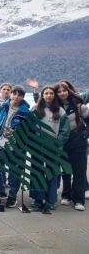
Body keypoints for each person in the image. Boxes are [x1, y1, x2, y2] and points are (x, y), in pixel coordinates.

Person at [30, 85, 70, 211]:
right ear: (42, 95)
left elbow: (65, 131)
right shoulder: (36, 109)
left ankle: (51, 200)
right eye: (46, 93)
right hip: (37, 146)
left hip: (53, 147)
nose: (49, 95)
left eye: (51, 93)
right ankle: (37, 199)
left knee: (51, 174)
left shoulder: (60, 111)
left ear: (54, 95)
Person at [0, 85, 30, 207]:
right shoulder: (2, 107)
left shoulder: (25, 112)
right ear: (11, 94)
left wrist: (16, 133)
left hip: (16, 146)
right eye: (14, 93)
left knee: (14, 173)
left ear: (23, 97)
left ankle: (12, 197)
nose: (16, 97)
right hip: (0, 143)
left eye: (19, 95)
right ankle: (1, 190)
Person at [55, 82, 89, 211]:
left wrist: (85, 134)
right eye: (59, 91)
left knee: (79, 171)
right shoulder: (54, 106)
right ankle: (66, 195)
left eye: (64, 90)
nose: (62, 93)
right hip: (63, 142)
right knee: (66, 170)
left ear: (69, 91)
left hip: (78, 141)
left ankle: (78, 200)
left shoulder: (79, 105)